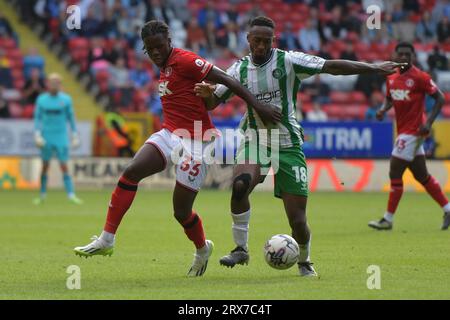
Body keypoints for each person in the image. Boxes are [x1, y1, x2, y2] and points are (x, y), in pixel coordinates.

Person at [194, 16, 403, 277]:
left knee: (298, 220)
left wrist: (373, 68)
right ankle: (241, 248)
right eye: (256, 40)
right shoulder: (237, 70)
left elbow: (331, 67)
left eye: (266, 41)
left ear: (273, 40)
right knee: (239, 185)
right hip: (255, 140)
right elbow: (214, 102)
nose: (261, 46)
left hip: (288, 144)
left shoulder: (289, 60)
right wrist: (205, 96)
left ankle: (304, 261)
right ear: (248, 40)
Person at [73, 20, 281, 277]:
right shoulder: (163, 67)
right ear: (145, 49)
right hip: (170, 133)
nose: (156, 53)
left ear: (169, 43)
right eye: (150, 49)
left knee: (181, 212)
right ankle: (106, 240)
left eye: (160, 47)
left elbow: (227, 79)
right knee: (131, 171)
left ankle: (203, 248)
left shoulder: (185, 61)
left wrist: (257, 106)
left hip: (197, 142)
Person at [368, 42, 450, 231]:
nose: (404, 57)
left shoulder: (420, 77)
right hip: (404, 130)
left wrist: (428, 122)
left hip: (413, 132)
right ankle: (448, 209)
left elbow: (440, 97)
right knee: (422, 175)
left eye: (408, 54)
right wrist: (382, 110)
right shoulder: (392, 78)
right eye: (401, 54)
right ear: (395, 55)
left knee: (395, 171)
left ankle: (388, 219)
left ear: (413, 56)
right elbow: (390, 98)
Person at [33, 73, 82, 205]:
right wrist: (37, 133)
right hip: (47, 136)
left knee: (64, 166)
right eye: (52, 82)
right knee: (44, 166)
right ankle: (42, 195)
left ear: (60, 84)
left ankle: (71, 195)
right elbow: (37, 118)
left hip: (61, 137)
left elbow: (71, 118)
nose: (54, 85)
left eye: (57, 82)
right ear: (48, 84)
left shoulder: (66, 100)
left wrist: (75, 134)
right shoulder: (41, 99)